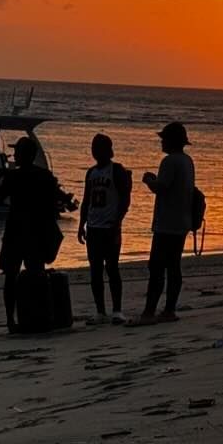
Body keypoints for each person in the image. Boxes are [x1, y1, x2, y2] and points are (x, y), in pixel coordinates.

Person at [0, 134, 73, 334]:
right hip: (36, 233)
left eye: (17, 152)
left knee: (11, 277)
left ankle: (12, 320)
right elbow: (63, 201)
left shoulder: (13, 176)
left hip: (16, 232)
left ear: (23, 155)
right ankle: (41, 315)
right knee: (36, 274)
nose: (14, 155)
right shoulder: (44, 176)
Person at [133, 121, 196, 325]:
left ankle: (149, 313)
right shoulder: (188, 161)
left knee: (157, 267)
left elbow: (162, 188)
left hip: (167, 223)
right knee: (173, 266)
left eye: (164, 139)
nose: (161, 142)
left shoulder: (170, 162)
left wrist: (149, 180)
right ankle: (169, 310)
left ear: (171, 141)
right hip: (182, 221)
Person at [78, 133, 131, 324]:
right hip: (93, 227)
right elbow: (86, 201)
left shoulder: (117, 171)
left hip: (110, 227)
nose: (95, 151)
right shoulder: (91, 173)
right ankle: (100, 311)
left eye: (99, 147)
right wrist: (81, 224)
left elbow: (125, 200)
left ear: (108, 150)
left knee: (112, 268)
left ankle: (117, 310)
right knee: (95, 270)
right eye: (93, 147)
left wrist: (117, 223)